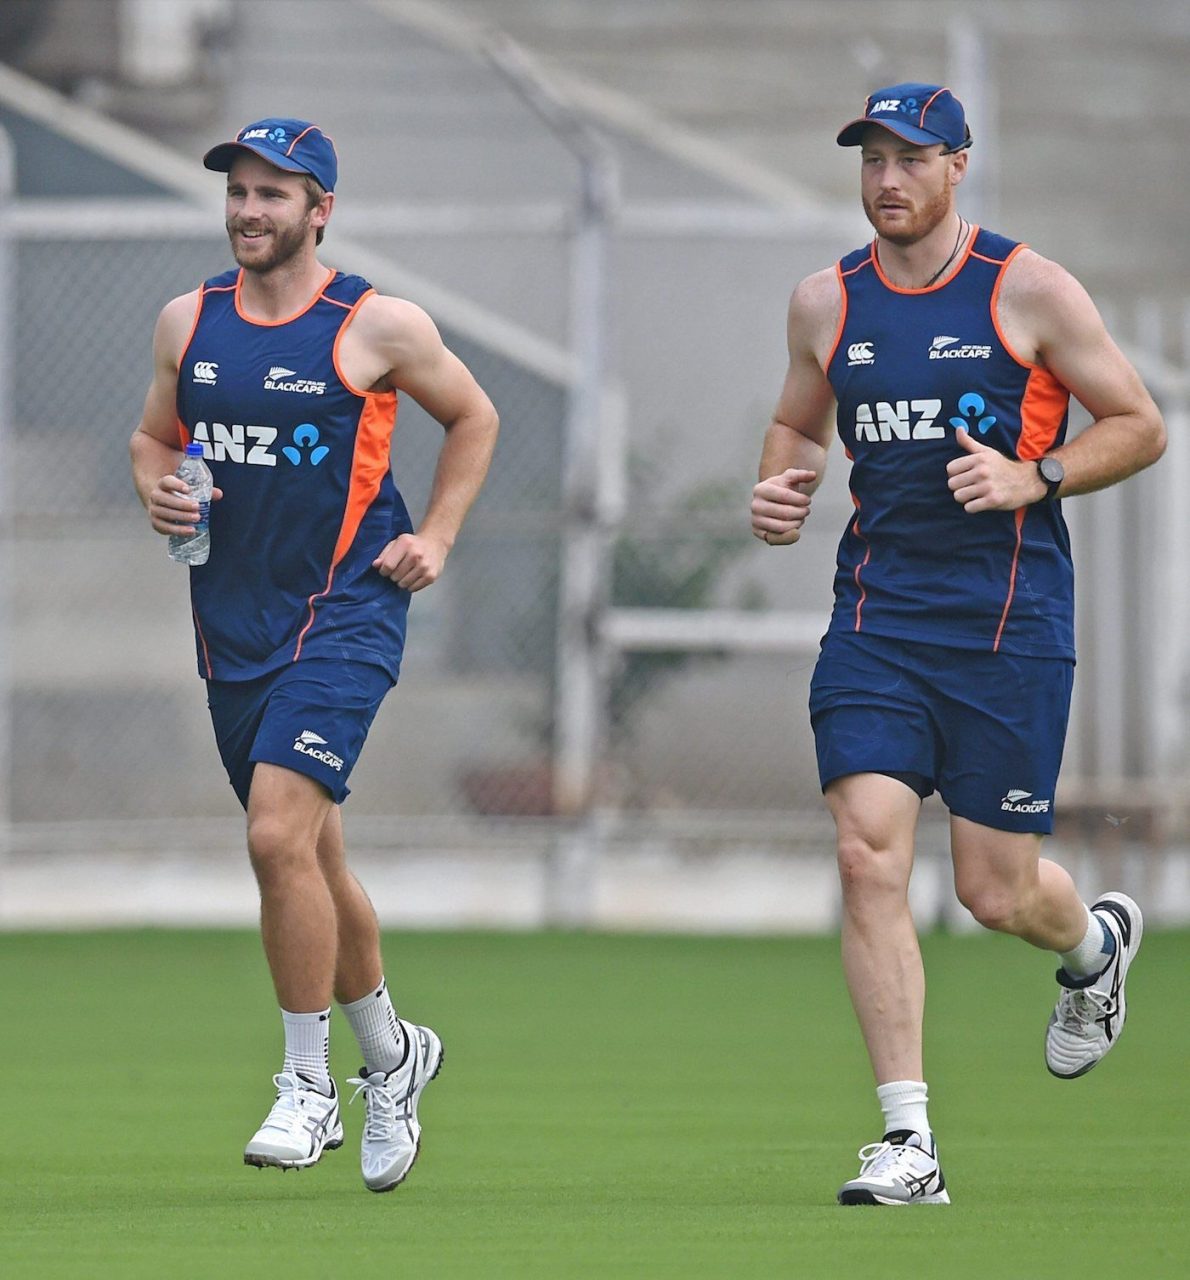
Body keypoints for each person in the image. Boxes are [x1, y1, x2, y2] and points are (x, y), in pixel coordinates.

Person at [750, 84, 1165, 1206]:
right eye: (871, 157)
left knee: (994, 892)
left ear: (956, 167)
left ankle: (1088, 947)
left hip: (1006, 625)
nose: (886, 177)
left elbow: (1137, 424)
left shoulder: (1024, 289)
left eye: (910, 157)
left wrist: (1033, 474)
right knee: (864, 849)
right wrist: (780, 480)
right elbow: (798, 417)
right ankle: (906, 1140)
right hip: (875, 621)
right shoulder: (823, 300)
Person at [130, 118, 499, 1193]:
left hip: (346, 611)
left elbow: (472, 417)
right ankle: (394, 1052)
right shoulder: (187, 321)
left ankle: (308, 1083)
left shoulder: (375, 324)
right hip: (231, 625)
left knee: (274, 832)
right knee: (311, 858)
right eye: (238, 192)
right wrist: (158, 482)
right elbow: (157, 436)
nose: (249, 211)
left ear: (319, 210)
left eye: (273, 195)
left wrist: (433, 534)